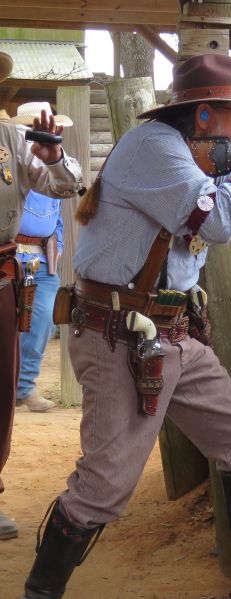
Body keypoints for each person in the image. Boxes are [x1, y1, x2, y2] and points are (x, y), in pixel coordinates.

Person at [21, 53, 231, 599]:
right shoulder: (153, 147)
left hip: (174, 334)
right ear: (203, 115)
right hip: (117, 335)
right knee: (105, 487)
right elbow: (219, 220)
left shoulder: (203, 155)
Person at [0, 52, 83, 542]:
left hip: (2, 279)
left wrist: (53, 156)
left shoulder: (11, 140)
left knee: (2, 387)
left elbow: (67, 186)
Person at [9, 102, 72, 412]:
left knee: (43, 321)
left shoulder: (57, 170)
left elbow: (57, 217)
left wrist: (56, 246)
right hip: (10, 256)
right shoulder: (14, 164)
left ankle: (24, 387)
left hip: (42, 258)